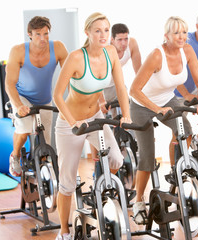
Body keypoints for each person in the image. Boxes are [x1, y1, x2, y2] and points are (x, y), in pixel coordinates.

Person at [53, 12, 131, 239]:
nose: (103, 35)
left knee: (116, 158)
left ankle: (98, 192)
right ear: (87, 33)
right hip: (71, 123)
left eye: (106, 30)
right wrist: (72, 121)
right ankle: (64, 232)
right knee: (67, 182)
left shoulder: (111, 52)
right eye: (98, 30)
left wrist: (126, 114)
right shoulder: (77, 57)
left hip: (96, 118)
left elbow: (121, 87)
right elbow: (58, 95)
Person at [129, 16, 198, 225]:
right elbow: (134, 90)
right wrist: (156, 109)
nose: (181, 37)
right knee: (147, 156)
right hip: (141, 105)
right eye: (176, 33)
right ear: (166, 36)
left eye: (184, 32)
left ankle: (176, 171)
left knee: (186, 132)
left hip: (168, 100)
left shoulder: (187, 51)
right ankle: (138, 202)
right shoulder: (157, 55)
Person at [5, 16, 68, 177]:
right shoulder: (18, 51)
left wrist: (73, 100)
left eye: (46, 34)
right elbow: (9, 84)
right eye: (38, 34)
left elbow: (71, 75)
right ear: (29, 34)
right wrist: (18, 105)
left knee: (46, 140)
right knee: (25, 127)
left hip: (45, 99)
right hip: (22, 97)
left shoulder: (58, 48)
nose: (43, 38)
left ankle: (44, 175)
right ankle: (15, 155)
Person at [90, 23, 142, 161]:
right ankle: (97, 161)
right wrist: (101, 101)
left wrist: (142, 93)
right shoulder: (104, 50)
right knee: (98, 121)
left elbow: (139, 72)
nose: (124, 43)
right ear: (111, 39)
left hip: (115, 84)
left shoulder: (132, 45)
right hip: (97, 87)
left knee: (125, 115)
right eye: (119, 40)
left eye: (126, 39)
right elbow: (96, 79)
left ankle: (124, 148)